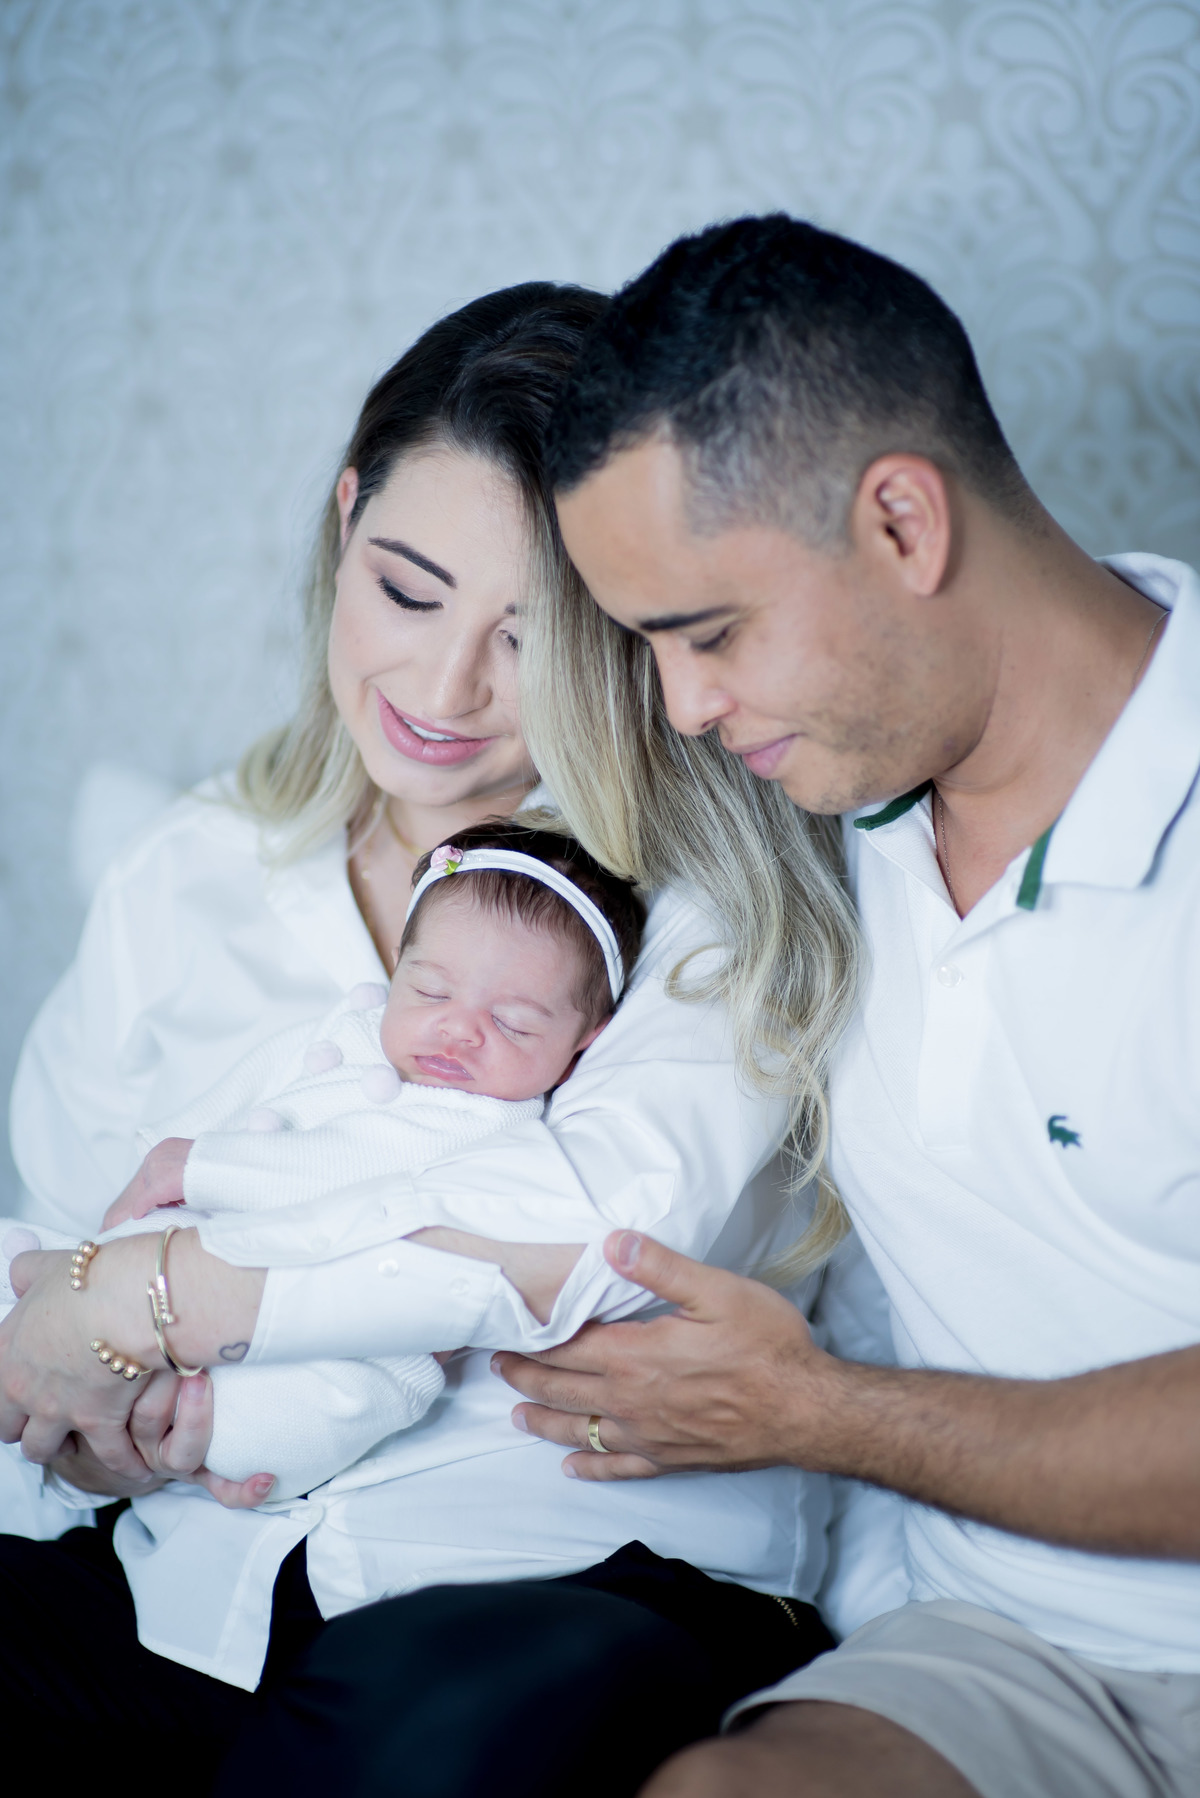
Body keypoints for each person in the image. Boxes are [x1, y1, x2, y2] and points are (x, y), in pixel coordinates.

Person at [0, 281, 899, 1794]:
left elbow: (586, 1225)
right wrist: (82, 1410)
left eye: (528, 639)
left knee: (423, 1741)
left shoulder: (701, 905)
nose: (439, 690)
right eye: (408, 592)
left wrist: (153, 1296)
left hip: (564, 1569)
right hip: (191, 1576)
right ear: (346, 518)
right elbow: (60, 1260)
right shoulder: (192, 873)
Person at [494, 214, 1200, 1798]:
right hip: (1006, 1651)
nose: (685, 706)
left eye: (710, 633)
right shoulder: (816, 812)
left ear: (901, 521)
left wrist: (814, 1410)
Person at [0, 821, 644, 1503]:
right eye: (430, 990)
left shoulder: (491, 1126)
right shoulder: (351, 1025)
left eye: (514, 1023)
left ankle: (178, 1454)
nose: (459, 1028)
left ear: (586, 1040)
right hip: (188, 1256)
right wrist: (168, 1153)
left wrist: (203, 1168)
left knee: (281, 1418)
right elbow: (255, 1081)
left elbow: (347, 1178)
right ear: (399, 964)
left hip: (333, 1355)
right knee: (27, 1272)